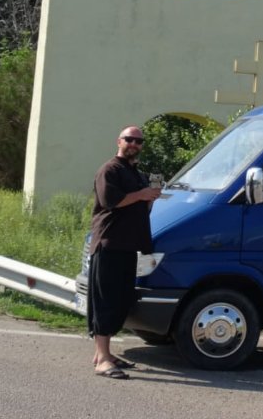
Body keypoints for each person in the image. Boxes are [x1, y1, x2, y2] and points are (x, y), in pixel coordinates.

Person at [87, 125, 161, 379]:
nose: (134, 144)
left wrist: (149, 198)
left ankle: (103, 354)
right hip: (109, 244)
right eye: (129, 139)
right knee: (105, 302)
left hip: (128, 246)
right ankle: (102, 360)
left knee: (120, 301)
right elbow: (111, 201)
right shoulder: (109, 170)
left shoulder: (136, 173)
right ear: (119, 141)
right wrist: (141, 194)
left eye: (139, 141)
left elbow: (140, 207)